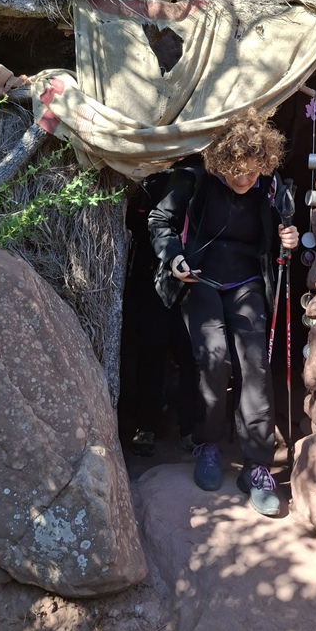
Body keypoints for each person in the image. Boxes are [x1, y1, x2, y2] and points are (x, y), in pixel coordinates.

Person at [148, 110, 299, 516]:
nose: (244, 179)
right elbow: (160, 219)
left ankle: (257, 467)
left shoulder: (270, 186)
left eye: (251, 171)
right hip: (200, 279)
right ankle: (208, 444)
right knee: (213, 359)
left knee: (255, 366)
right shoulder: (194, 179)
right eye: (235, 172)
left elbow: (281, 233)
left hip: (247, 282)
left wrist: (289, 237)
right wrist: (174, 257)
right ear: (220, 161)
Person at [122, 176, 198, 457]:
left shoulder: (206, 179)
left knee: (191, 354)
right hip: (155, 277)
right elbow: (149, 224)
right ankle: (147, 425)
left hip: (195, 280)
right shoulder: (165, 177)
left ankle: (190, 428)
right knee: (152, 349)